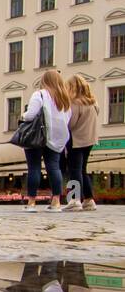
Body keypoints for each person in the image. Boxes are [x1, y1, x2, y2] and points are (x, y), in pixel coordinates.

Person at [21, 69, 72, 213]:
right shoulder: (65, 99)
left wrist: (23, 115)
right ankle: (56, 201)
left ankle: (31, 202)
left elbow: (30, 115)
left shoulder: (39, 95)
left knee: (34, 168)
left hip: (37, 136)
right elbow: (67, 120)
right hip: (56, 138)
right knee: (54, 168)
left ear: (44, 81)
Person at [65, 73, 99, 212]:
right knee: (83, 169)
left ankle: (74, 199)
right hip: (90, 139)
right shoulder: (93, 103)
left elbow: (71, 124)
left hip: (76, 139)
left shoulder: (75, 103)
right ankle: (89, 199)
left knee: (74, 170)